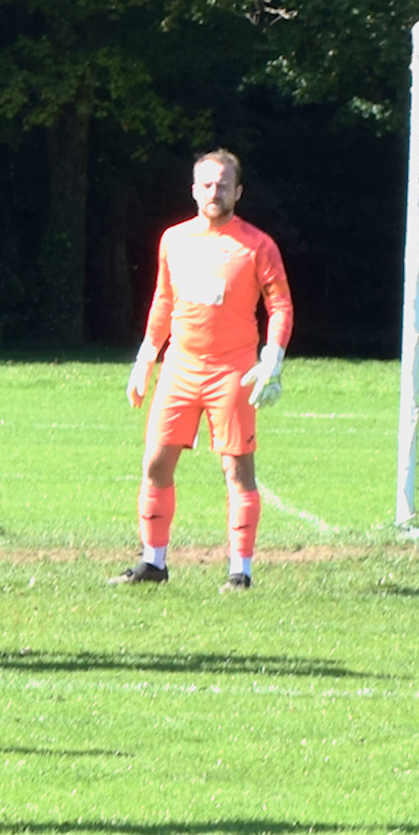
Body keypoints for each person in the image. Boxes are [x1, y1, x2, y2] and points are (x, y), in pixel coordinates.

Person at [117, 149, 294, 591]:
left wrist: (272, 357)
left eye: (223, 185)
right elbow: (164, 300)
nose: (215, 192)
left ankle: (240, 571)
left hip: (232, 370)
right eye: (207, 185)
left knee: (237, 471)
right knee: (155, 464)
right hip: (180, 367)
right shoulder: (174, 239)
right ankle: (153, 562)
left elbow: (280, 304)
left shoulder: (258, 245)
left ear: (238, 191)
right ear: (194, 190)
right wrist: (146, 358)